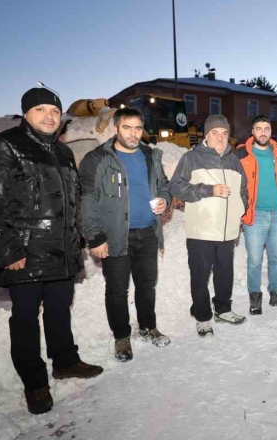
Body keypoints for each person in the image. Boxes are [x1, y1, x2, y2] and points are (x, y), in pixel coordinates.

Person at [0, 87, 102, 414]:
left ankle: (65, 362)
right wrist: (7, 249)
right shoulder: (2, 146)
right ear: (26, 114)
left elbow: (71, 201)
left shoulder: (62, 152)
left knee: (60, 310)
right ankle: (35, 383)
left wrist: (78, 240)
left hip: (61, 251)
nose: (49, 116)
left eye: (55, 111)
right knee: (26, 320)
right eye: (41, 110)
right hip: (24, 253)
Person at [79, 107, 172, 362]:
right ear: (116, 128)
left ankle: (148, 327)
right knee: (117, 290)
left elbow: (163, 186)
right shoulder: (97, 159)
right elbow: (87, 200)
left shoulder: (150, 156)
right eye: (127, 128)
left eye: (138, 128)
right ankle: (121, 337)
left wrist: (165, 200)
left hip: (148, 233)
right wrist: (94, 237)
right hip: (116, 236)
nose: (133, 134)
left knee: (146, 285)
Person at [170, 115, 248, 337]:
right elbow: (176, 187)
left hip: (227, 230)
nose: (220, 138)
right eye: (215, 133)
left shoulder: (234, 160)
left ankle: (223, 309)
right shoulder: (191, 158)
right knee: (200, 275)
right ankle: (203, 316)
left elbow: (244, 189)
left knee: (225, 273)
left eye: (224, 133)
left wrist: (239, 212)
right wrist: (208, 190)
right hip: (201, 230)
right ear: (206, 135)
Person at [234, 115, 277, 315]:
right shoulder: (240, 153)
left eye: (266, 128)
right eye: (259, 128)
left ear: (271, 132)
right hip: (254, 214)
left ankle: (276, 293)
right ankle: (255, 296)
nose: (263, 132)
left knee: (276, 258)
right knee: (254, 259)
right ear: (252, 131)